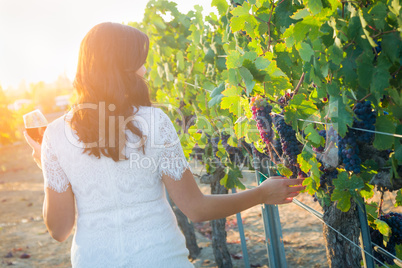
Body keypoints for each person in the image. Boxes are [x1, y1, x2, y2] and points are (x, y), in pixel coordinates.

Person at [24, 22, 305, 267]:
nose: (144, 69)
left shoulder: (55, 135)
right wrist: (261, 194)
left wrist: (48, 167)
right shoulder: (154, 121)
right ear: (122, 67)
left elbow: (59, 230)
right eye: (139, 61)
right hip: (159, 258)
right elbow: (196, 209)